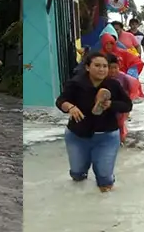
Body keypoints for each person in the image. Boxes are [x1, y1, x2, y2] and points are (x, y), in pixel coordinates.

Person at [56, 52, 133, 192]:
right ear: (87, 67)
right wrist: (70, 107)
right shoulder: (76, 83)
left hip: (107, 136)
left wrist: (111, 104)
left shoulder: (113, 85)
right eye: (97, 65)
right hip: (77, 135)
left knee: (105, 179)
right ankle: (79, 199)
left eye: (105, 66)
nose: (102, 69)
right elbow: (60, 101)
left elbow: (127, 105)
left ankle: (105, 202)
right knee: (78, 175)